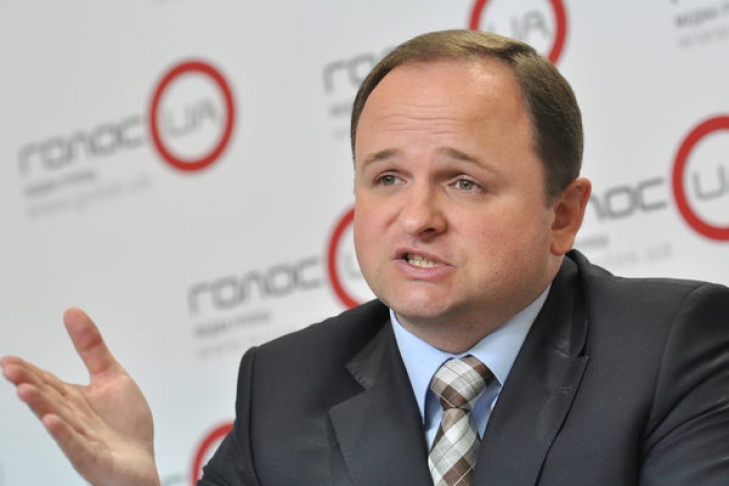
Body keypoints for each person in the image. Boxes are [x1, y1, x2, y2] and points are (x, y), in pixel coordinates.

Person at [2, 29, 728, 486]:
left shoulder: (674, 346)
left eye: (463, 182)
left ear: (562, 214)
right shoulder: (284, 385)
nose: (416, 218)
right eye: (386, 178)